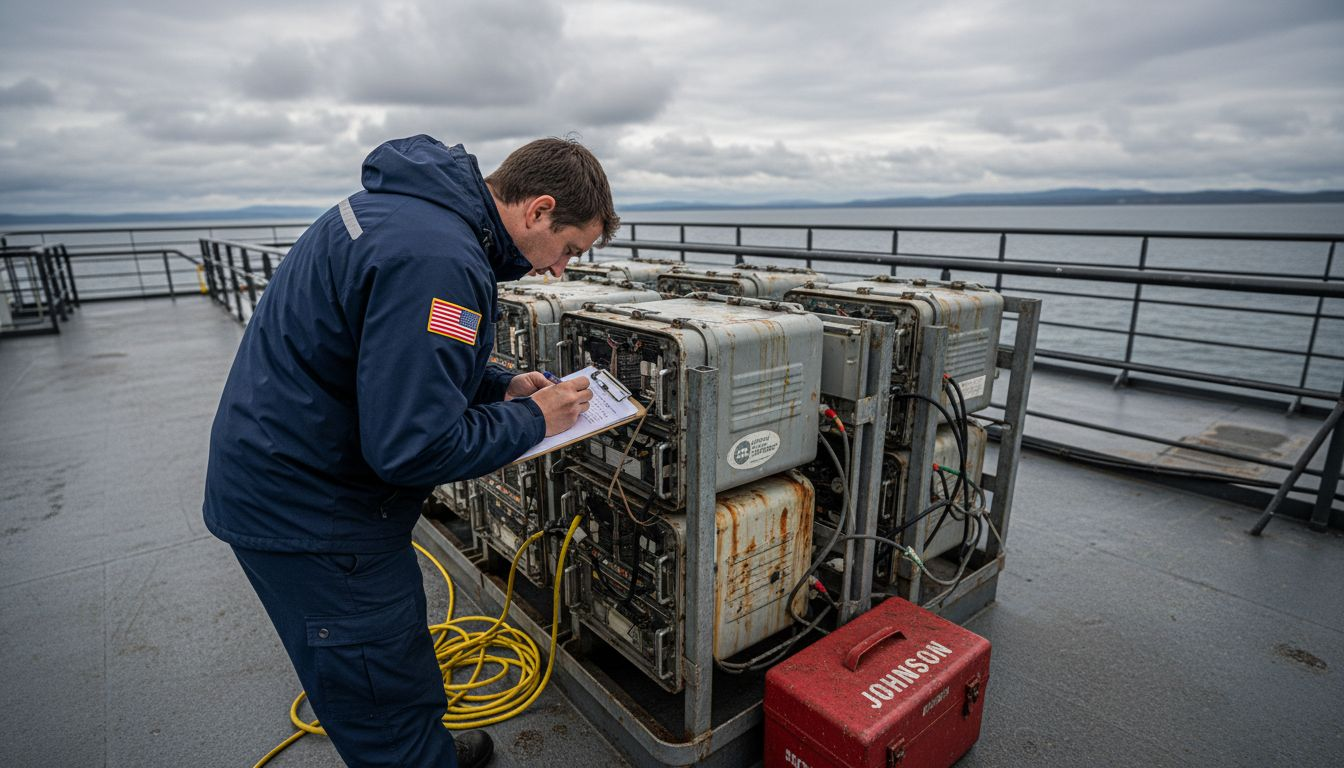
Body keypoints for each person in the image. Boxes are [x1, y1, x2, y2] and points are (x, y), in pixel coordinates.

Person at [203, 134, 619, 767]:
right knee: (377, 691)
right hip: (316, 515)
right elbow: (413, 448)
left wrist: (499, 383)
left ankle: (421, 741)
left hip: (285, 474)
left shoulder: (409, 216)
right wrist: (534, 419)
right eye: (568, 250)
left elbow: (388, 357)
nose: (560, 269)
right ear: (538, 209)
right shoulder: (440, 262)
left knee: (390, 656)